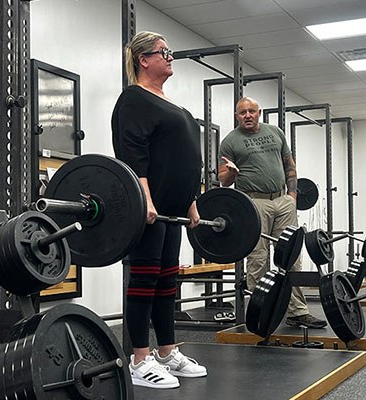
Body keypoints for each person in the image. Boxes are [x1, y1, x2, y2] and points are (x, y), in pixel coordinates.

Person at [111, 31, 207, 389]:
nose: (170, 57)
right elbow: (133, 155)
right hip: (149, 209)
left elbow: (185, 161)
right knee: (145, 280)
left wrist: (191, 202)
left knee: (168, 281)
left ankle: (167, 351)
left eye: (170, 51)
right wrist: (145, 199)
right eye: (163, 52)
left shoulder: (173, 105)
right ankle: (139, 359)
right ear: (143, 60)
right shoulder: (133, 99)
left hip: (172, 210)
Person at [218, 97, 327, 329]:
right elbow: (223, 181)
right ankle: (262, 311)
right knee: (258, 258)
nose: (247, 115)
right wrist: (232, 173)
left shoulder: (275, 132)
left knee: (291, 257)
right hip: (254, 202)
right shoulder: (230, 142)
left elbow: (289, 165)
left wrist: (293, 195)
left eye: (251, 111)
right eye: (242, 113)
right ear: (236, 116)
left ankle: (297, 311)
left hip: (282, 200)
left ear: (259, 113)